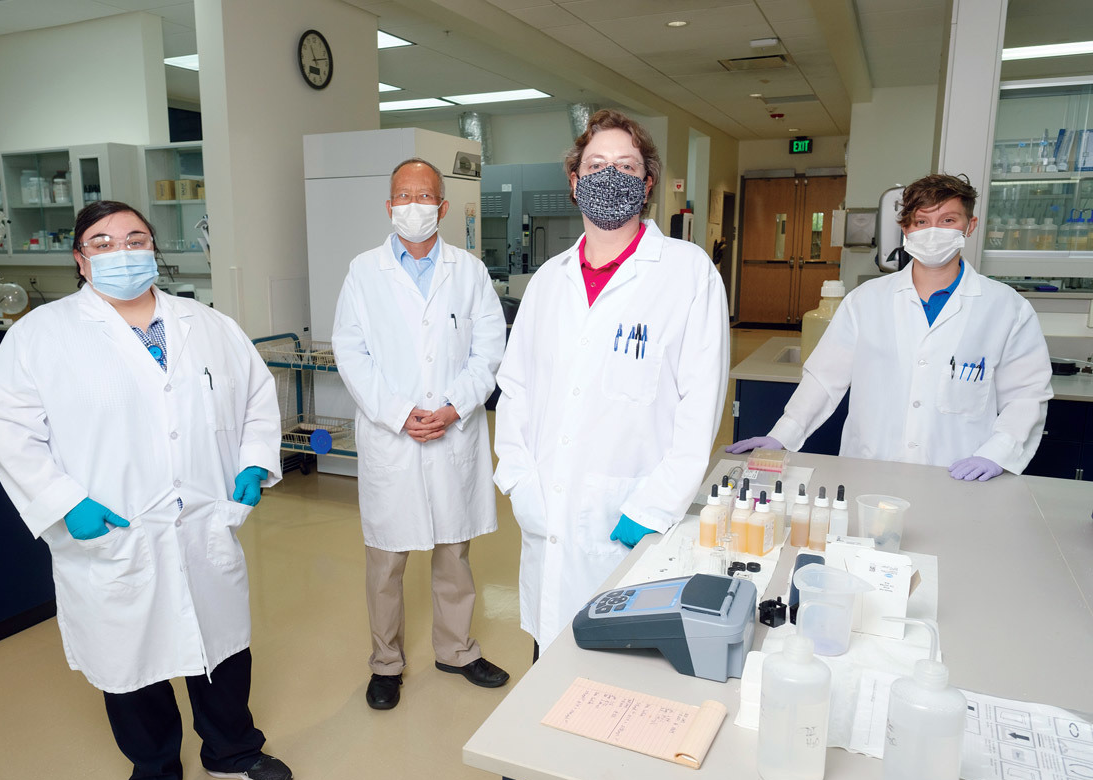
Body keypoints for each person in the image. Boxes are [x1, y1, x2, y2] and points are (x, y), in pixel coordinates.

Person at [0, 201, 292, 780]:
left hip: (201, 521)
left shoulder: (209, 325)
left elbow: (256, 397)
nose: (121, 252)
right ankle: (155, 771)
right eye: (102, 243)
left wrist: (254, 460)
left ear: (152, 248)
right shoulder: (41, 335)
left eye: (135, 239)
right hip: (113, 528)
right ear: (80, 259)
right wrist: (62, 501)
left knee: (222, 647)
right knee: (129, 659)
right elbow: (7, 427)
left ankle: (233, 751)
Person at [493, 109, 730, 654]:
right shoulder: (548, 281)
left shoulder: (688, 273)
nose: (610, 177)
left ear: (647, 183)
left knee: (617, 676)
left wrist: (653, 507)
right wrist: (520, 482)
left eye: (626, 166)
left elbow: (699, 409)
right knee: (547, 666)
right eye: (596, 165)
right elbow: (516, 390)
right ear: (575, 182)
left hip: (632, 522)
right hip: (548, 518)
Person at [728, 173, 1053, 481]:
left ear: (970, 226)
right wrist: (783, 434)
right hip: (869, 467)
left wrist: (998, 453)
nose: (933, 231)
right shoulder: (865, 301)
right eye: (922, 222)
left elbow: (1026, 394)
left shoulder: (1007, 308)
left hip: (957, 477)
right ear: (905, 228)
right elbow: (824, 379)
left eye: (948, 220)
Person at [332, 157, 510, 711]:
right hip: (393, 435)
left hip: (452, 430)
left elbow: (490, 348)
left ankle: (456, 650)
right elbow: (350, 351)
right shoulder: (364, 271)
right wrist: (398, 412)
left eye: (425, 196)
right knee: (386, 561)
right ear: (389, 206)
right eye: (404, 197)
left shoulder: (469, 271)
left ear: (443, 206)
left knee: (454, 552)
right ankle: (386, 663)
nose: (414, 206)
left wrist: (454, 407)